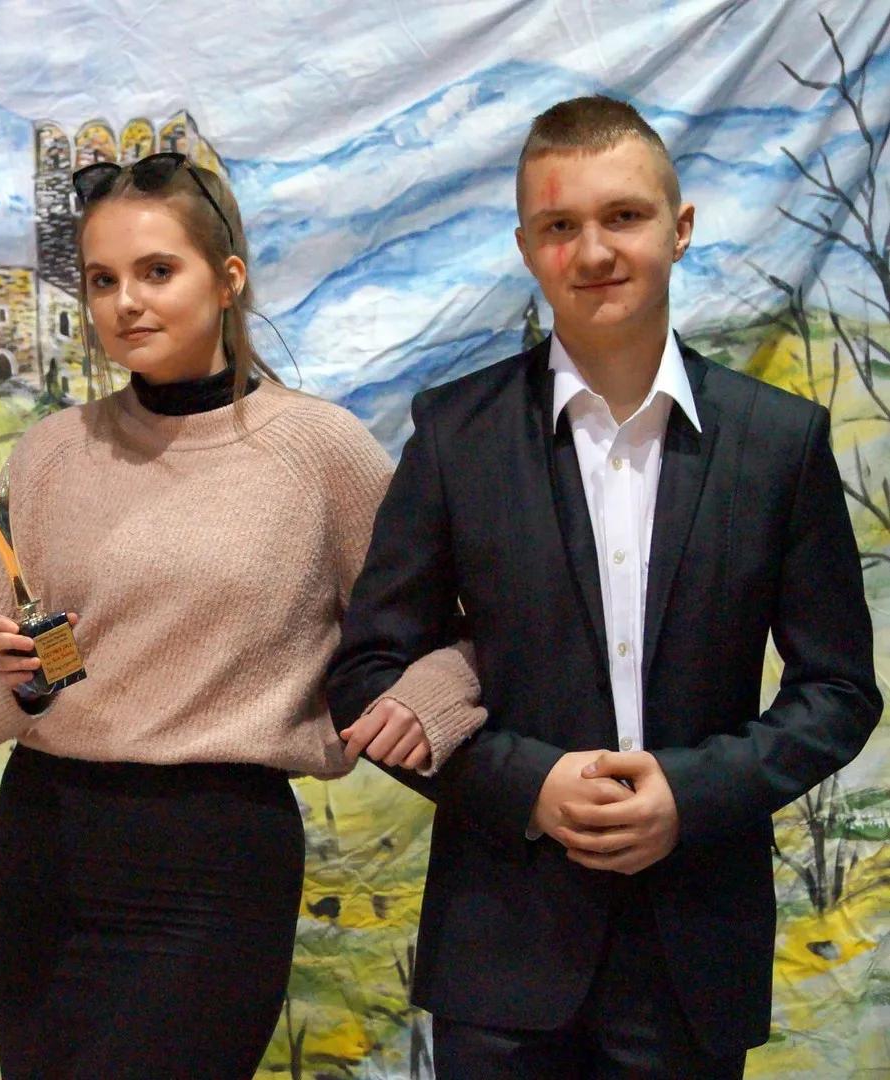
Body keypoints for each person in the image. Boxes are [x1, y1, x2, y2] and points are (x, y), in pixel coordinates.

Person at [327, 96, 881, 1078]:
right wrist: (527, 785)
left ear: (679, 226)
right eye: (558, 226)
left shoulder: (778, 441)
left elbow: (837, 690)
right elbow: (367, 673)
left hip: (693, 949)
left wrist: (691, 792)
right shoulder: (454, 434)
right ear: (525, 248)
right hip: (501, 949)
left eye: (622, 216)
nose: (591, 251)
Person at [0, 151, 489, 1078]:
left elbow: (462, 632)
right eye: (102, 280)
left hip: (214, 867)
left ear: (226, 280)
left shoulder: (318, 450)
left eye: (157, 271)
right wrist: (11, 686)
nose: (126, 303)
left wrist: (424, 704)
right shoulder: (49, 455)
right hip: (45, 853)